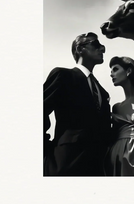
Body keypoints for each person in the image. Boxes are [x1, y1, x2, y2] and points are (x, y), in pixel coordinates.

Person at [43, 32, 112, 176]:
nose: (102, 49)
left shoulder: (103, 93)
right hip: (65, 163)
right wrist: (47, 152)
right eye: (96, 45)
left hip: (97, 168)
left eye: (102, 46)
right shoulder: (63, 75)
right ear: (80, 49)